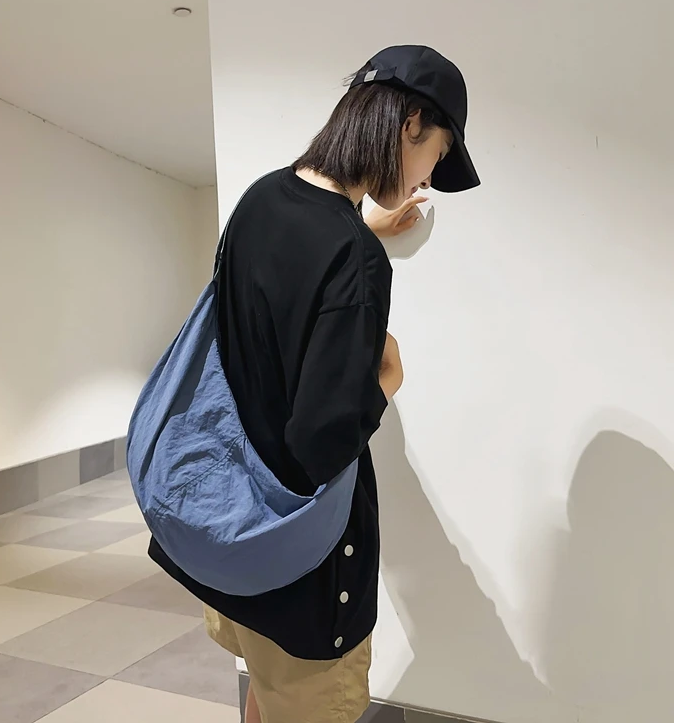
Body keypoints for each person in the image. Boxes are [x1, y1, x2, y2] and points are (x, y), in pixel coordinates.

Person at [148, 45, 480, 723]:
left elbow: (280, 298)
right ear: (410, 124)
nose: (428, 175)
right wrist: (384, 384)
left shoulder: (262, 199)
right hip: (299, 568)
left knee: (262, 694)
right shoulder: (353, 259)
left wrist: (364, 231)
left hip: (232, 533)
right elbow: (317, 447)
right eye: (436, 154)